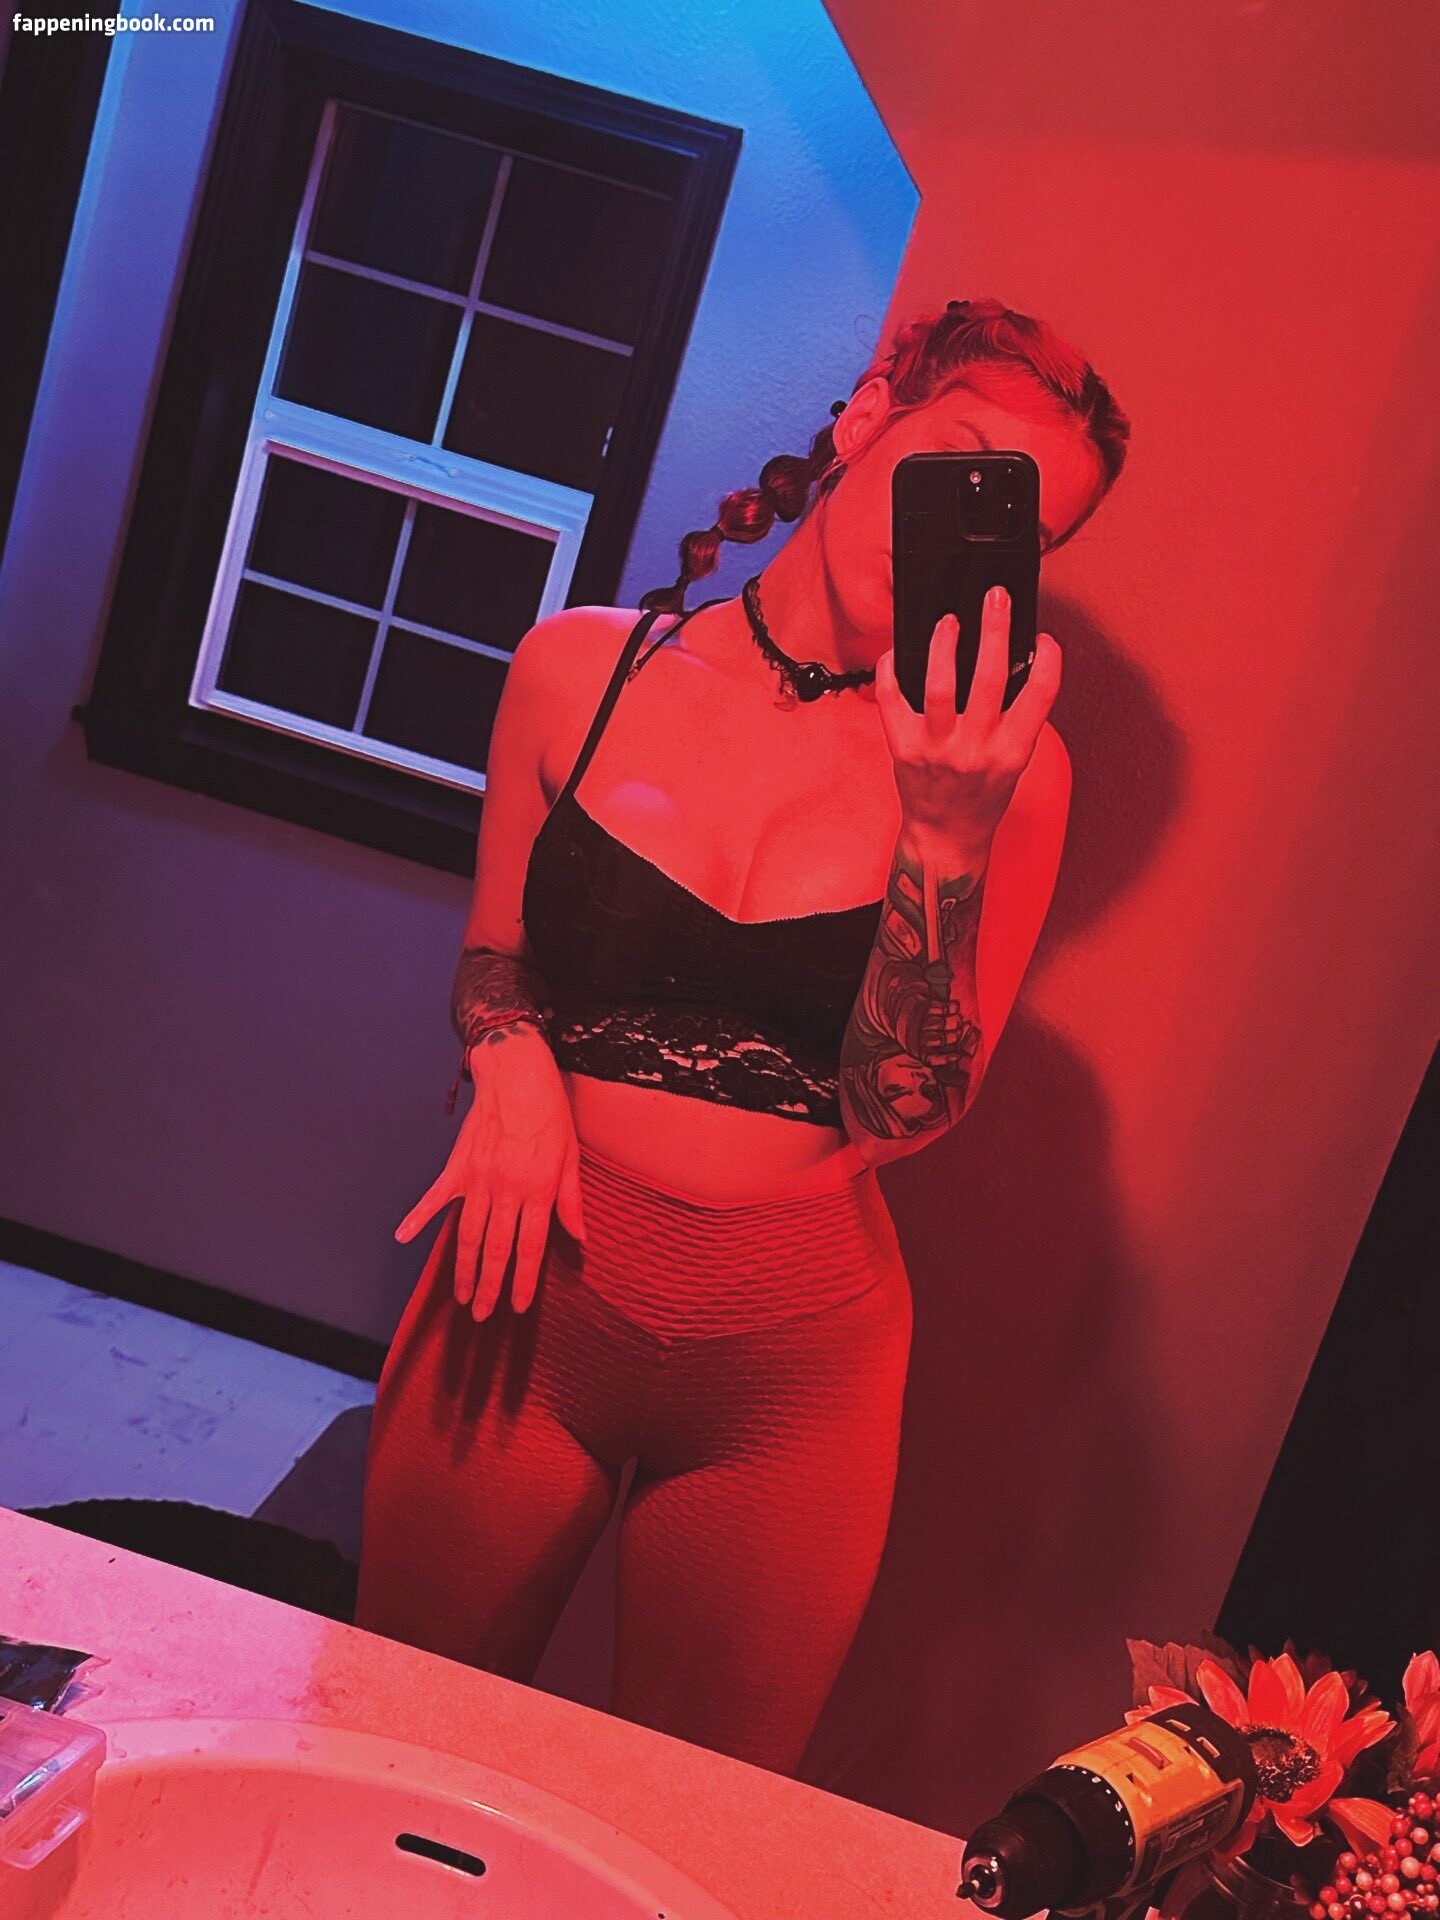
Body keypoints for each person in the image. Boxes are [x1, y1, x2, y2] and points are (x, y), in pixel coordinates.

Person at [354, 296, 1130, 1775]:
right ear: (868, 414)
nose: (972, 522)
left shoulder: (1013, 778)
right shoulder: (578, 670)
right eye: (962, 456)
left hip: (790, 1372)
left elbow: (902, 1113)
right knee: (391, 1744)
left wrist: (946, 833)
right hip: (528, 1293)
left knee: (687, 1829)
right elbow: (496, 954)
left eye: (1023, 522)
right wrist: (511, 1063)